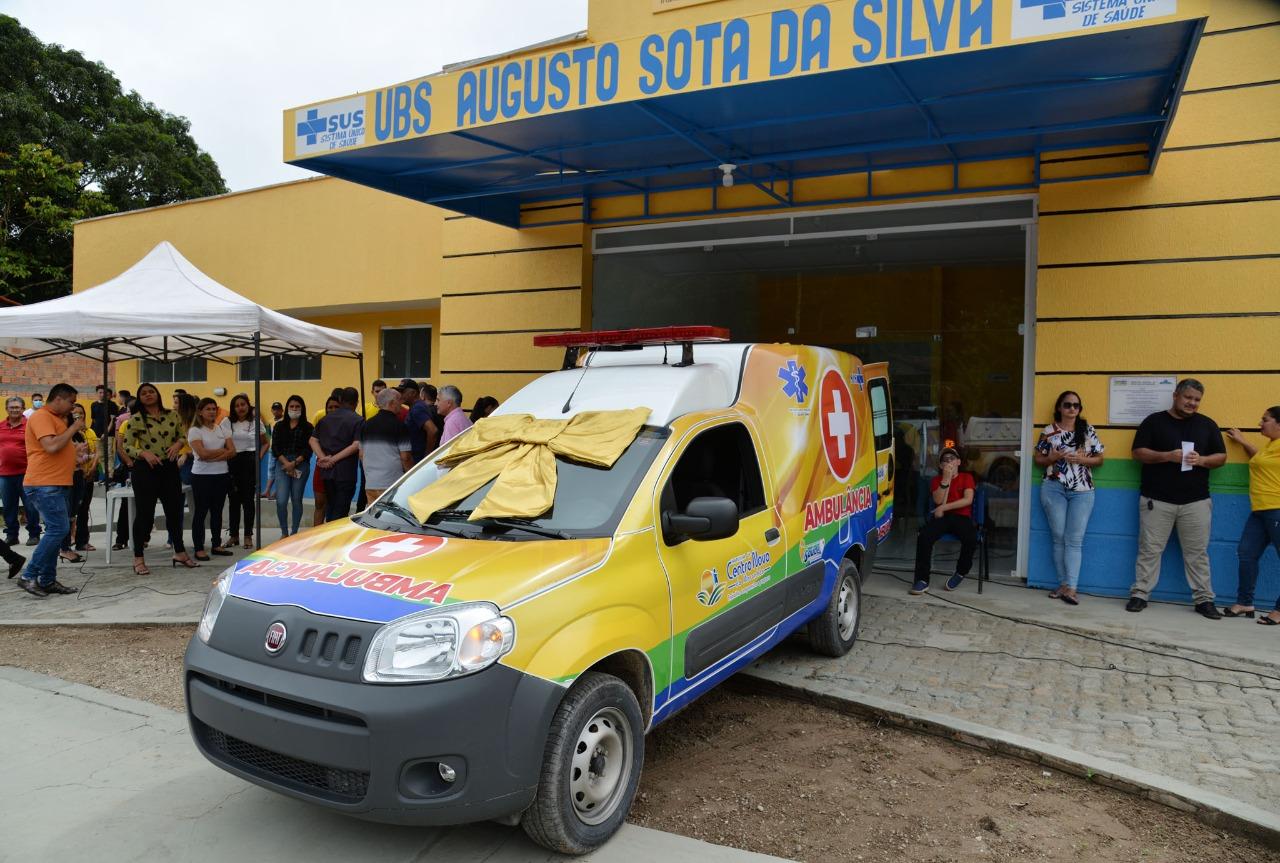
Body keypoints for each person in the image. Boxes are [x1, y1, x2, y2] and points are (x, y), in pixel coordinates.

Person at [1128, 379, 1227, 619]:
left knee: (1197, 553)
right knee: (1149, 550)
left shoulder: (1207, 424)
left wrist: (1202, 460)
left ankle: (1204, 600)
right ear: (1175, 396)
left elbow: (1222, 457)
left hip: (1196, 502)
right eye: (1188, 398)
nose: (1192, 403)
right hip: (1156, 500)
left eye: (1197, 400)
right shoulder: (1154, 421)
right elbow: (1137, 453)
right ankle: (1140, 594)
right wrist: (1166, 456)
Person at [1033, 391, 1105, 605]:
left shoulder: (1087, 430)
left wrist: (1083, 459)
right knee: (1058, 536)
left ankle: (1072, 588)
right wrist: (1051, 458)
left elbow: (1100, 459)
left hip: (1082, 490)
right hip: (1053, 488)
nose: (1072, 409)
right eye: (1067, 405)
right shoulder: (1049, 431)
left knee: (1074, 540)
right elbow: (1038, 459)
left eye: (1076, 405)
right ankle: (1063, 584)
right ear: (1059, 408)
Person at [15, 383, 82, 598]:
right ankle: (28, 575)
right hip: (44, 483)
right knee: (58, 529)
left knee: (57, 529)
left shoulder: (55, 419)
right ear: (59, 399)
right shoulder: (41, 416)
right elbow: (51, 446)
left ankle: (47, 580)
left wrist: (75, 452)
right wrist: (74, 428)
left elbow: (57, 448)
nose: (72, 408)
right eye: (71, 402)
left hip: (55, 483)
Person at [124, 382, 197, 575]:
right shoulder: (136, 419)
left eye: (151, 392)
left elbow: (182, 436)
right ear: (139, 398)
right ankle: (138, 557)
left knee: (174, 513)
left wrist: (177, 445)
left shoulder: (172, 415)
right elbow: (127, 446)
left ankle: (180, 552)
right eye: (144, 393)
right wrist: (142, 453)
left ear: (157, 394)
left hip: (169, 469)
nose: (148, 395)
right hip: (145, 470)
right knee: (145, 515)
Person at [1223, 407, 1280, 625]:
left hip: (1277, 508)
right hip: (1260, 510)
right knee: (1246, 554)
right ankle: (1245, 602)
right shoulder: (1270, 446)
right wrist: (1243, 441)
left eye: (1265, 420)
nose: (1260, 423)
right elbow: (1259, 460)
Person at [909, 447, 976, 595]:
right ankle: (922, 579)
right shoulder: (936, 480)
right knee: (925, 536)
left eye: (952, 458)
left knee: (971, 538)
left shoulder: (966, 477)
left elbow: (968, 500)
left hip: (961, 517)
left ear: (959, 462)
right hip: (943, 518)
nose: (949, 461)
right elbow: (938, 500)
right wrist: (946, 479)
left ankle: (960, 572)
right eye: (945, 460)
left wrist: (945, 507)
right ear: (940, 466)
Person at [187, 397, 235, 561]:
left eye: (214, 409)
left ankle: (216, 544)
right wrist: (221, 453)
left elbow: (232, 451)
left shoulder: (222, 428)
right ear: (200, 411)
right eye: (208, 409)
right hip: (202, 477)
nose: (212, 412)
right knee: (201, 512)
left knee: (217, 512)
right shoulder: (195, 431)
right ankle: (199, 548)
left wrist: (212, 456)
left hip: (221, 475)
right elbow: (202, 454)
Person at [311, 387, 363, 521]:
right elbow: (356, 445)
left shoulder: (325, 419)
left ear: (340, 400)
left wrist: (323, 458)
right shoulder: (358, 420)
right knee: (341, 512)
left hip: (327, 471)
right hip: (346, 472)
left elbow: (312, 440)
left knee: (331, 508)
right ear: (356, 402)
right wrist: (333, 459)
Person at [225, 393, 268, 548]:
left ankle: (248, 536)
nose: (240, 408)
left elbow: (265, 443)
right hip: (232, 461)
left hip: (250, 461)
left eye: (243, 404)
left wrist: (258, 457)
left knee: (248, 501)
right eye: (237, 405)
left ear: (248, 405)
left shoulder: (256, 422)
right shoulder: (227, 422)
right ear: (233, 408)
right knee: (233, 501)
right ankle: (234, 536)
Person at [360, 387, 412, 506]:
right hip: (391, 484)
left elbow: (361, 455)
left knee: (374, 520)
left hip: (370, 484)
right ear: (392, 403)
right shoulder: (399, 426)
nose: (402, 403)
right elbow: (406, 457)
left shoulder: (366, 425)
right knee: (390, 520)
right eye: (399, 400)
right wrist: (412, 476)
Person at [1, 396, 40, 547]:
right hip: (5, 474)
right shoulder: (1, 425)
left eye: (17, 407)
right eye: (12, 407)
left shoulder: (30, 426)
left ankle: (34, 534)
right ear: (7, 409)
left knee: (30, 506)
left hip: (27, 473)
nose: (15, 410)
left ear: (23, 409)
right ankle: (12, 536)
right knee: (9, 507)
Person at [272, 395, 313, 537]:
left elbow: (309, 449)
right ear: (287, 408)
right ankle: (284, 533)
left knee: (296, 499)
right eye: (291, 406)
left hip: (300, 464)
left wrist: (294, 463)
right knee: (281, 500)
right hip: (282, 465)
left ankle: (294, 532)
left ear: (302, 409)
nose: (294, 409)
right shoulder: (278, 426)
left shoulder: (308, 427)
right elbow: (275, 447)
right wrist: (286, 463)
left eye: (297, 407)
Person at [63, 403, 99, 556]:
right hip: (69, 476)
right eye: (74, 415)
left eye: (80, 414)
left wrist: (91, 462)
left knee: (82, 509)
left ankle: (81, 541)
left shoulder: (85, 433)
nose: (78, 417)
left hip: (84, 475)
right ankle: (65, 545)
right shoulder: (65, 434)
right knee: (68, 512)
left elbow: (95, 451)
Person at [311, 395, 340, 526]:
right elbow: (312, 441)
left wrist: (333, 459)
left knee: (335, 506)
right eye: (330, 407)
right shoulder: (321, 423)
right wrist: (324, 458)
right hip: (322, 467)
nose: (333, 409)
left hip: (339, 468)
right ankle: (315, 537)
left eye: (336, 407)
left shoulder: (347, 424)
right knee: (319, 503)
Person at [402, 378, 438, 463]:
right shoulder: (416, 406)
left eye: (403, 392)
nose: (401, 394)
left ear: (413, 393)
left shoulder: (417, 408)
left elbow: (433, 430)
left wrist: (426, 457)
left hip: (418, 459)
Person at [263, 401, 284, 500]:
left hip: (282, 450)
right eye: (274, 409)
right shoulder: (271, 421)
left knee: (281, 470)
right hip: (272, 450)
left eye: (278, 409)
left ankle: (276, 492)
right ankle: (267, 491)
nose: (276, 411)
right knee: (271, 469)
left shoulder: (285, 421)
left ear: (282, 410)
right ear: (271, 410)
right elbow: (268, 434)